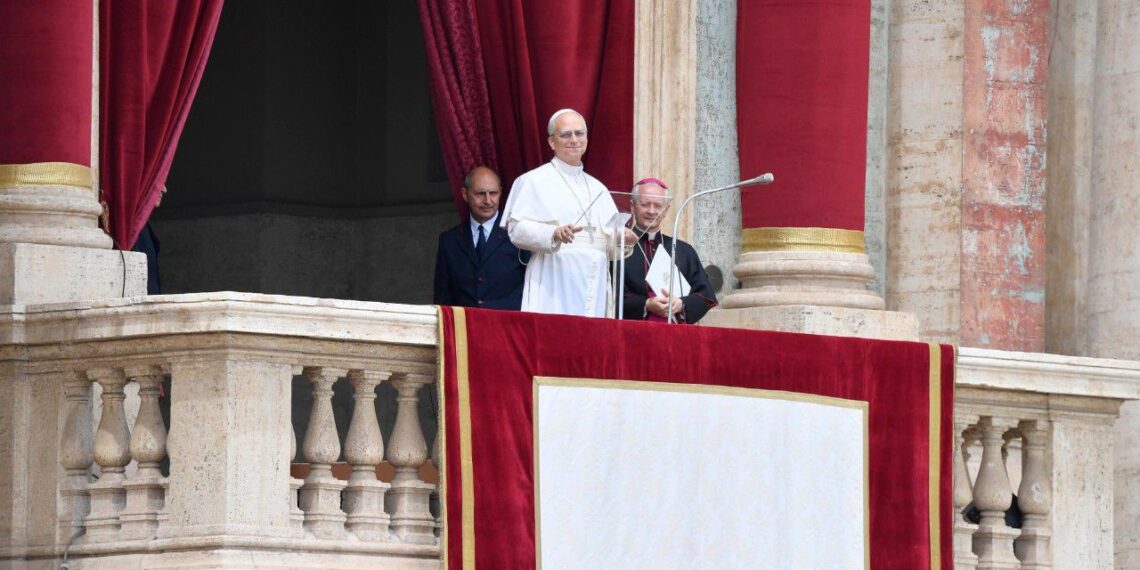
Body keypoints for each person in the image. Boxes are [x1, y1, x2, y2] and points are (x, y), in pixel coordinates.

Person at [500, 109, 636, 317]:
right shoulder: (532, 181)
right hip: (554, 279)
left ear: (587, 138)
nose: (574, 139)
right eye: (565, 134)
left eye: (579, 133)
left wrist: (622, 239)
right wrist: (553, 233)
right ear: (551, 142)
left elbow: (609, 244)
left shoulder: (599, 187)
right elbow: (516, 230)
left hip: (594, 281)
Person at [622, 178, 717, 323]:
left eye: (658, 206)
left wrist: (680, 304)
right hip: (631, 332)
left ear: (666, 210)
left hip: (674, 334)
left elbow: (705, 296)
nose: (651, 211)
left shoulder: (684, 251)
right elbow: (609, 295)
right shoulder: (618, 247)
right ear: (633, 207)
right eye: (645, 204)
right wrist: (646, 305)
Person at [434, 166, 528, 310]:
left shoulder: (517, 232)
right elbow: (443, 297)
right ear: (465, 194)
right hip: (465, 327)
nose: (488, 201)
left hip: (508, 326)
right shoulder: (449, 241)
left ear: (501, 193)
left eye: (493, 193)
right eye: (480, 194)